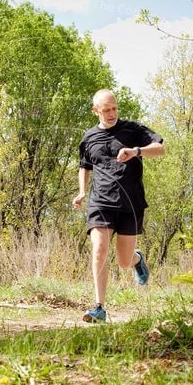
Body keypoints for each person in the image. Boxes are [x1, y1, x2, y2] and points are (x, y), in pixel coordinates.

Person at [72, 89, 165, 323]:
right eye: (106, 110)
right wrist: (82, 191)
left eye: (114, 108)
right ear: (96, 111)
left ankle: (137, 260)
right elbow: (84, 166)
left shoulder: (132, 130)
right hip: (100, 202)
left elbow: (160, 149)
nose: (112, 113)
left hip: (131, 202)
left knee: (123, 261)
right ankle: (99, 307)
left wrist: (136, 151)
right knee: (99, 250)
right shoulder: (89, 137)